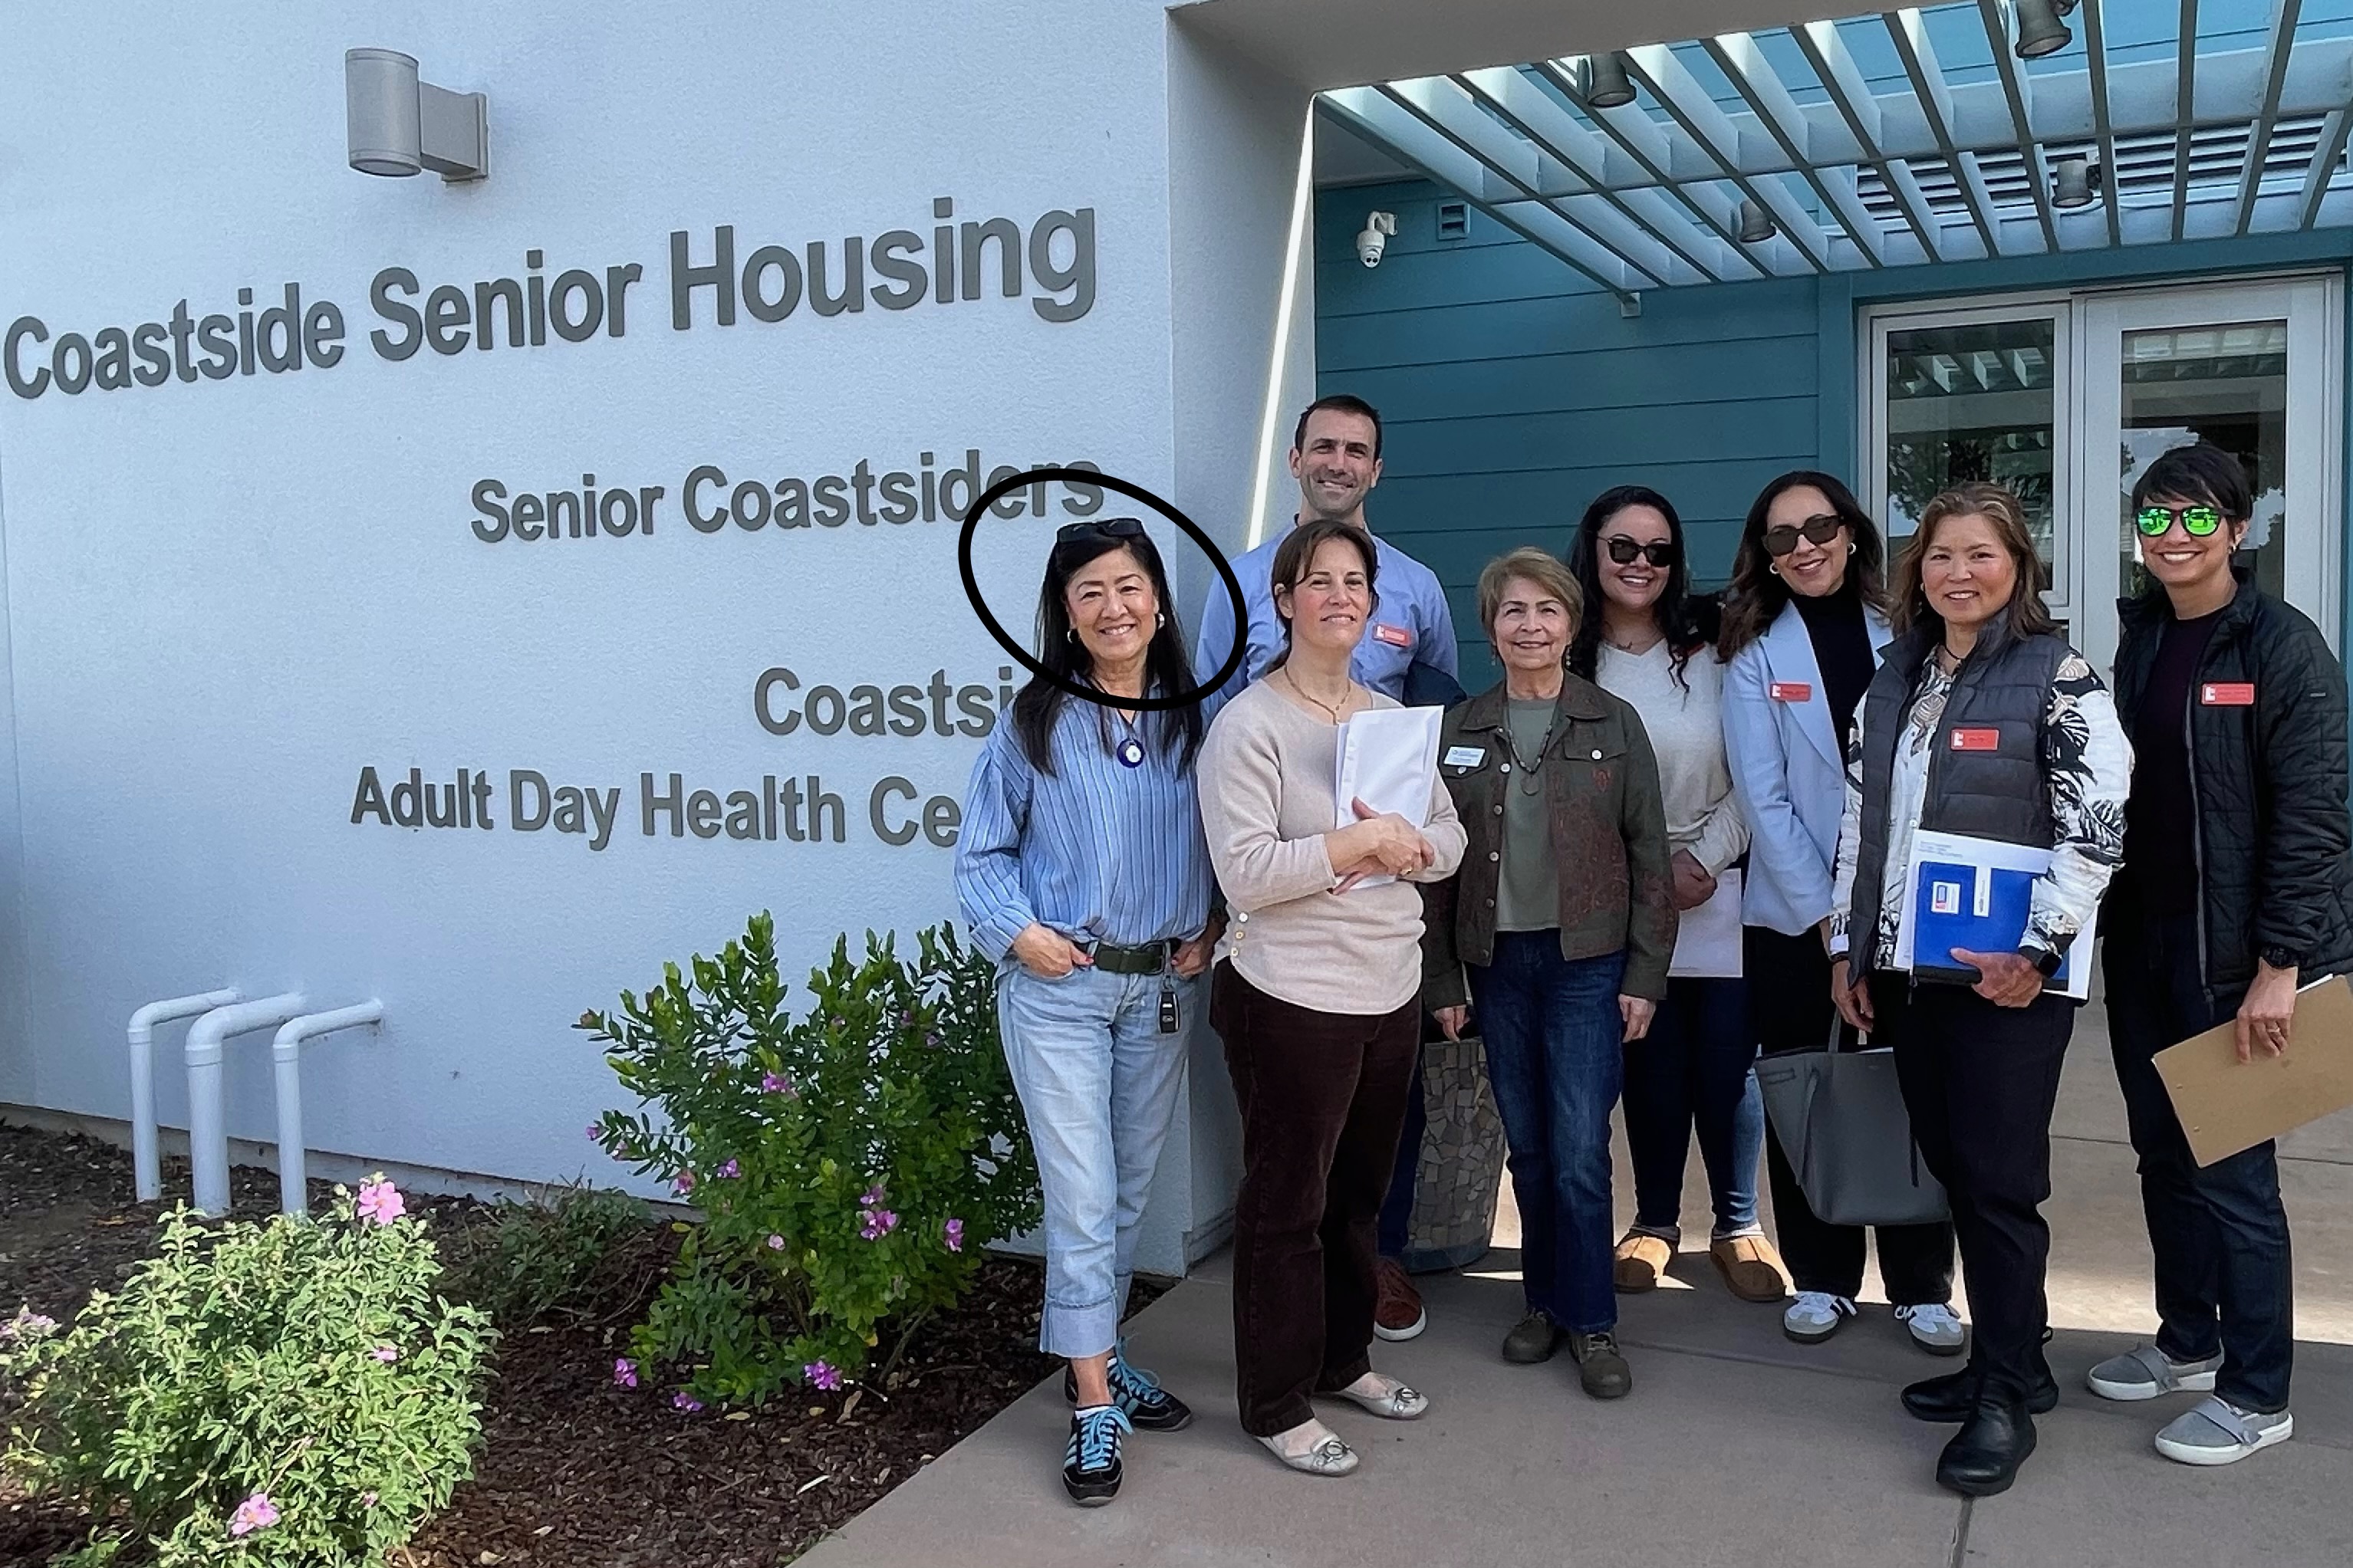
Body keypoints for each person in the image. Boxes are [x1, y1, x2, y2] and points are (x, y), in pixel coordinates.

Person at [1827, 482, 2131, 1497]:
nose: (1959, 572)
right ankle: (2014, 1358)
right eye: (1940, 555)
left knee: (2000, 1186)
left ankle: (2004, 1396)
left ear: (2016, 568)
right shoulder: (1895, 678)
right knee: (1958, 1171)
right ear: (1916, 572)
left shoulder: (2059, 674)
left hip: (2009, 984)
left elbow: (2097, 827)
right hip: (1910, 972)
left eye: (1981, 554)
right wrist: (1849, 948)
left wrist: (2037, 951)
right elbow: (1861, 819)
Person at [2091, 441, 2352, 1468]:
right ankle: (2187, 1340)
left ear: (2238, 530)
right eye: (2156, 518)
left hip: (2237, 959)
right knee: (2162, 1153)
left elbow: (2314, 818)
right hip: (2145, 941)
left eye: (2198, 517)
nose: (2175, 536)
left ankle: (2256, 1390)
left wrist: (2280, 965)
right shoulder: (2144, 637)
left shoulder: (2281, 646)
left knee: (2235, 1174)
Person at [956, 517, 1219, 1507]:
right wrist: (1017, 933)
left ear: (1158, 600)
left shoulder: (1197, 717)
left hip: (1161, 993)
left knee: (1125, 1196)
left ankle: (1093, 1356)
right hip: (1061, 992)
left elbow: (1227, 836)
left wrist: (1213, 924)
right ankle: (1093, 1404)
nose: (1114, 607)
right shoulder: (1034, 722)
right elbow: (980, 854)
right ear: (1065, 615)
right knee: (1081, 1196)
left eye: (1129, 585)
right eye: (1090, 593)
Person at [1199, 517, 1466, 1476]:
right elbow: (1244, 871)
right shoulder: (1248, 725)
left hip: (1386, 989)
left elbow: (1448, 837)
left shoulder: (1388, 719)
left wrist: (1410, 846)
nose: (1339, 596)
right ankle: (1275, 1403)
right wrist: (1358, 843)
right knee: (1286, 1205)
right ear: (1283, 600)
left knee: (1355, 1199)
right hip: (1289, 997)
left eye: (1354, 582)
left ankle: (1341, 1360)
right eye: (1318, 581)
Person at [1719, 471, 1962, 1353]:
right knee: (1810, 1088)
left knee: (1914, 1086)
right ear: (1765, 557)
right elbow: (1763, 798)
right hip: (1796, 921)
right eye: (1781, 537)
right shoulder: (1752, 653)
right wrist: (1830, 923)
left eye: (1818, 527)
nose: (1804, 547)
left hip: (1907, 904)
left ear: (1850, 532)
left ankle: (1921, 1284)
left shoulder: (1911, 633)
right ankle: (1820, 1273)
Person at [1423, 547, 1672, 1398]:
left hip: (1586, 965)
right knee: (1527, 1150)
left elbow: (1649, 854)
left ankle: (1592, 1318)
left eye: (1547, 610)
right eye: (1512, 611)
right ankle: (1543, 1301)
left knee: (1577, 1151)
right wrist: (1443, 980)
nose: (1530, 625)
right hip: (1496, 964)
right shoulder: (1458, 729)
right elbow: (1436, 871)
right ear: (1490, 628)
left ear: (1571, 624)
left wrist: (1645, 973)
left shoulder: (1612, 722)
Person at [1565, 488, 1783, 1304]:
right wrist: (1643, 877)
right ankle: (1654, 1220)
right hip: (1616, 893)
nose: (1641, 564)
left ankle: (1738, 1223)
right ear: (1592, 550)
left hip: (1719, 882)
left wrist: (1707, 856)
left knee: (1729, 1064)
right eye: (1622, 547)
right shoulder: (1566, 654)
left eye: (1658, 550)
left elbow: (1757, 766)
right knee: (1649, 1062)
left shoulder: (1716, 646)